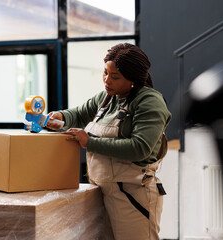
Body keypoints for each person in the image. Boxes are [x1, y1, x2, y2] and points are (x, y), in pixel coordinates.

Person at [46, 43, 171, 240]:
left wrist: (90, 142)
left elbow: (140, 148)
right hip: (101, 192)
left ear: (133, 79)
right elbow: (79, 113)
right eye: (105, 72)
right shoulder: (107, 98)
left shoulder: (149, 102)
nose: (106, 80)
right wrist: (61, 117)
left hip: (132, 195)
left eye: (115, 77)